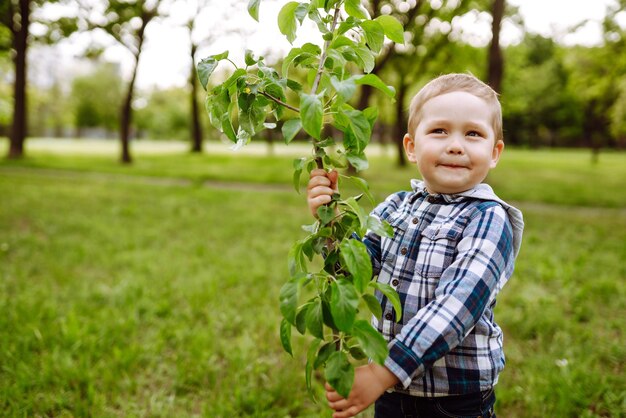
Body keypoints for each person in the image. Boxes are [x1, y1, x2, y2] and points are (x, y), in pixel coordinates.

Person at [306, 73, 524, 418]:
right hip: (393, 393)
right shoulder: (395, 208)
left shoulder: (488, 219)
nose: (456, 145)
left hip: (455, 400)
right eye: (439, 130)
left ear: (494, 152)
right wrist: (331, 223)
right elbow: (352, 271)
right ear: (411, 146)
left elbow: (457, 307)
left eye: (473, 134)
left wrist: (383, 371)